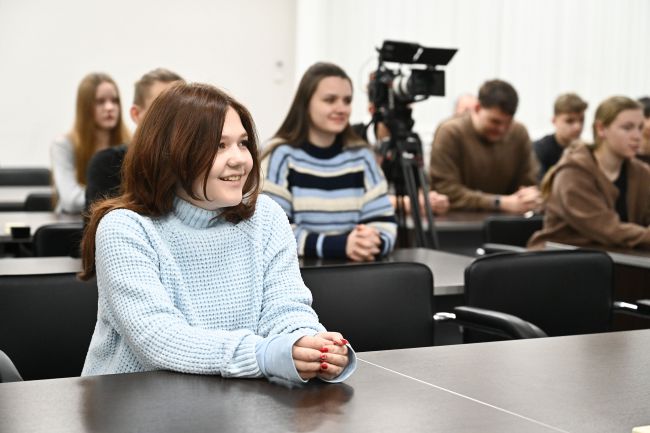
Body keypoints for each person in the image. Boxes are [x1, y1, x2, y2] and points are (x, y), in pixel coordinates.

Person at [79, 82, 355, 384]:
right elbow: (157, 337)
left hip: (234, 399)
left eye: (243, 143)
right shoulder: (124, 228)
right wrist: (263, 355)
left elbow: (285, 308)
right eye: (219, 146)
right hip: (132, 401)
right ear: (170, 153)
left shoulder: (266, 216)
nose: (239, 159)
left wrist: (308, 344)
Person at [261, 62, 397, 261]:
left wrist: (373, 241)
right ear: (306, 103)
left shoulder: (362, 156)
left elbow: (384, 222)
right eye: (330, 100)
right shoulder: (279, 155)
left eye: (347, 100)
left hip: (358, 270)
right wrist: (340, 246)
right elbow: (271, 232)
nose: (341, 109)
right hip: (298, 274)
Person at [528, 96, 650, 250]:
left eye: (640, 128)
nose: (637, 136)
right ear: (601, 129)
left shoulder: (641, 173)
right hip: (561, 258)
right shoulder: (573, 173)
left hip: (619, 257)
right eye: (627, 128)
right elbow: (607, 229)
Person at [429, 79, 541, 213]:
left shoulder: (519, 133)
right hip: (457, 219)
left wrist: (529, 195)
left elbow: (529, 181)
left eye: (508, 123)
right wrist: (499, 202)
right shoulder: (450, 132)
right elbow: (446, 190)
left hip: (507, 219)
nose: (502, 129)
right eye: (495, 122)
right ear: (477, 108)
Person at [85, 68, 184, 212]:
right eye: (161, 109)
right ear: (136, 114)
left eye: (182, 109)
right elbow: (97, 222)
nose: (173, 117)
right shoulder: (107, 164)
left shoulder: (195, 163)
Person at [51, 73, 130, 213]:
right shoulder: (63, 145)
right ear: (85, 107)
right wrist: (121, 198)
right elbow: (70, 200)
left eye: (115, 101)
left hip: (117, 220)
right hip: (73, 222)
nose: (109, 107)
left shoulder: (130, 144)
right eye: (100, 102)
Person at [533, 93, 588, 180]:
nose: (578, 127)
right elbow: (540, 184)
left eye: (581, 120)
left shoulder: (587, 151)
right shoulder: (539, 149)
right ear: (554, 121)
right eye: (569, 121)